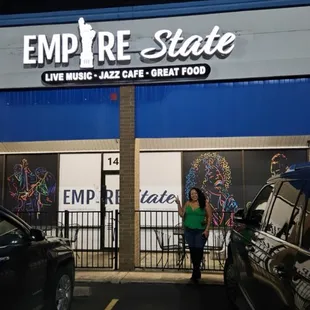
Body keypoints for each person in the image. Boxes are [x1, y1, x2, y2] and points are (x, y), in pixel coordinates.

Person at [175, 187, 213, 281]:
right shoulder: (187, 203)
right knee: (192, 251)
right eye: (192, 194)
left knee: (199, 251)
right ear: (190, 195)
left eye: (195, 193)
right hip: (189, 231)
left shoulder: (205, 203)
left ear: (198, 193)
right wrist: (178, 203)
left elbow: (209, 217)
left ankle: (196, 271)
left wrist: (207, 230)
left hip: (200, 231)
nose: (194, 195)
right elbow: (181, 214)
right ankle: (196, 272)